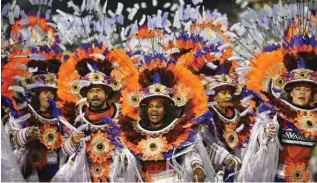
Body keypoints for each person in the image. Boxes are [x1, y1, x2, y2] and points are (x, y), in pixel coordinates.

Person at [119, 58, 219, 182]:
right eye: (150, 106)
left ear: (166, 110)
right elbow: (130, 162)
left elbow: (189, 154)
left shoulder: (179, 131)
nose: (154, 110)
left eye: (159, 106)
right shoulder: (135, 134)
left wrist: (197, 167)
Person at [56, 43, 137, 182]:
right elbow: (64, 151)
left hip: (116, 175)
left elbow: (133, 148)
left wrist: (122, 151)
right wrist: (73, 141)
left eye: (98, 91)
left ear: (107, 94)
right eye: (91, 91)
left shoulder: (121, 115)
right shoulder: (76, 117)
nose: (94, 95)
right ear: (85, 94)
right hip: (85, 175)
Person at [2, 45, 72, 182]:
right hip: (29, 171)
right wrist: (26, 133)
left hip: (56, 172)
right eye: (45, 92)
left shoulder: (60, 117)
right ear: (36, 94)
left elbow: (67, 147)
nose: (49, 96)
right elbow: (9, 138)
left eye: (52, 93)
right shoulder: (22, 114)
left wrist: (73, 141)